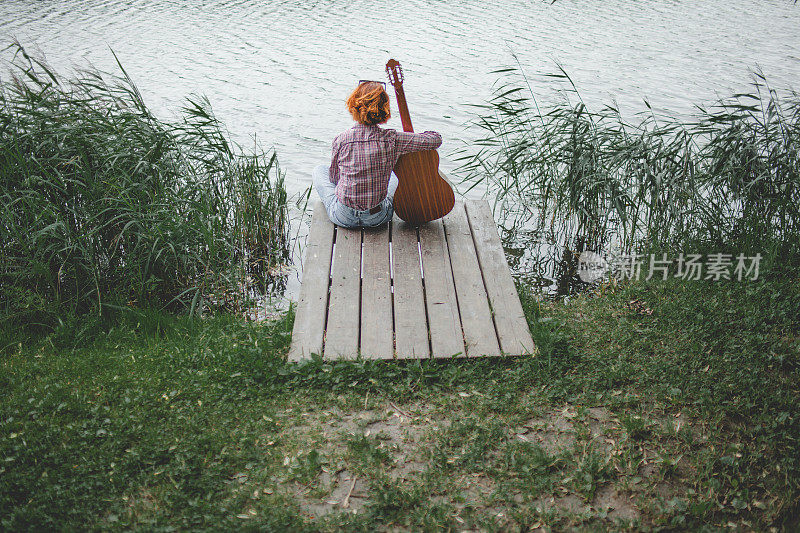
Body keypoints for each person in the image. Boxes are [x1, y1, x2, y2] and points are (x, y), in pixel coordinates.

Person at [313, 80, 442, 228]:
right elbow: (436, 139)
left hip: (344, 217)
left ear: (354, 106)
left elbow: (334, 177)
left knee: (319, 170)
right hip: (378, 217)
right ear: (384, 110)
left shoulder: (341, 139)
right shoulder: (392, 139)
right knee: (394, 175)